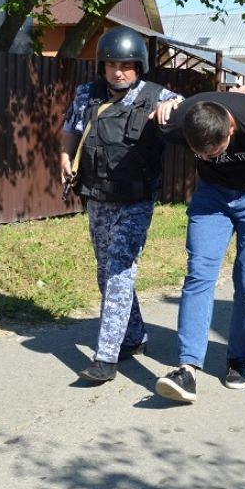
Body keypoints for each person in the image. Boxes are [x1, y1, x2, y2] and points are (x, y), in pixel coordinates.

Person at [152, 89, 245, 404]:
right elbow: (154, 111)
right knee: (199, 274)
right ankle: (187, 368)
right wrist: (163, 105)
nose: (209, 159)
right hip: (212, 195)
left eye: (214, 153)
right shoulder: (180, 120)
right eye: (202, 155)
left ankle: (238, 358)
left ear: (232, 130)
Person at [60, 26, 182, 384]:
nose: (118, 72)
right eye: (112, 64)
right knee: (105, 272)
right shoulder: (87, 94)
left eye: (126, 65)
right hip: (98, 198)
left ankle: (106, 358)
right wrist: (65, 157)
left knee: (118, 272)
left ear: (138, 66)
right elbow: (71, 129)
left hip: (135, 201)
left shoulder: (157, 95)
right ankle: (134, 336)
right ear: (102, 66)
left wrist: (175, 108)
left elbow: (191, 110)